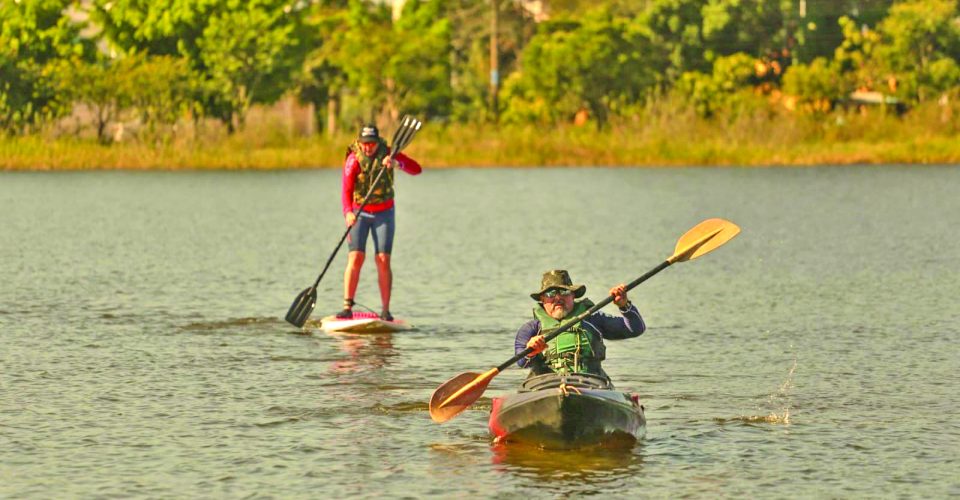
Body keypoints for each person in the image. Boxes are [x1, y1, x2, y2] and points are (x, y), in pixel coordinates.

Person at [337, 123, 422, 320]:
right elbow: (346, 190)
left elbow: (417, 169)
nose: (368, 147)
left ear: (377, 143)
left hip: (384, 213)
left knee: (383, 259)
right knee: (356, 257)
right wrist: (348, 212)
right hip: (359, 213)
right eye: (365, 144)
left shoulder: (390, 154)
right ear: (359, 143)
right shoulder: (353, 160)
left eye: (372, 144)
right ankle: (347, 307)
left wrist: (397, 164)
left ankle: (385, 310)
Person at [515, 269, 645, 379]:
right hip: (546, 385)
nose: (558, 298)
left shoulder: (592, 318)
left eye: (564, 292)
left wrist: (624, 305)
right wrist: (530, 352)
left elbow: (635, 329)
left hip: (590, 383)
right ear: (542, 299)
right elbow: (521, 362)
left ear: (573, 296)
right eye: (551, 293)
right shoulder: (531, 329)